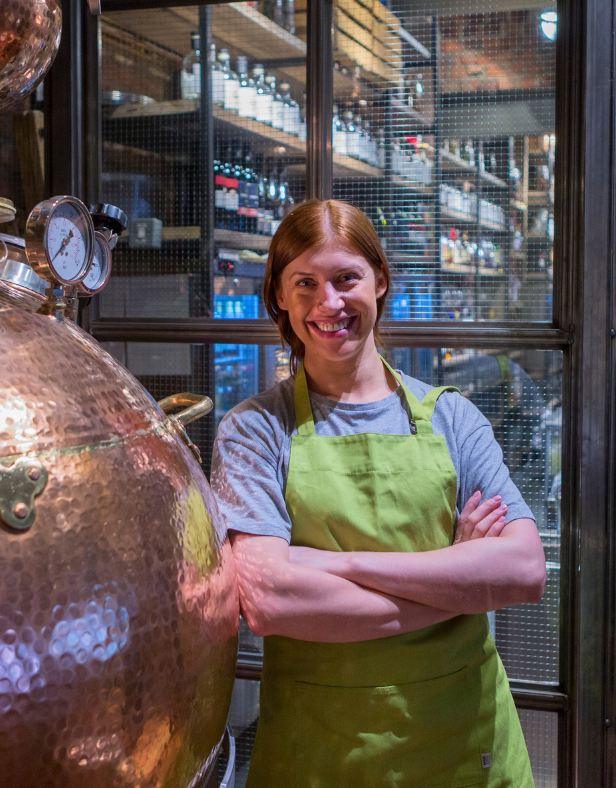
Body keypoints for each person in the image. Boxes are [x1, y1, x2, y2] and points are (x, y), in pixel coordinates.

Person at [210, 199, 547, 787]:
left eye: (346, 279)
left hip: (464, 746)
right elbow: (269, 599)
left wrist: (334, 564)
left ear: (380, 281)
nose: (328, 303)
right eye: (305, 283)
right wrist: (460, 582)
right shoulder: (253, 430)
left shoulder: (453, 419)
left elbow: (522, 570)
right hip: (322, 752)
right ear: (280, 298)